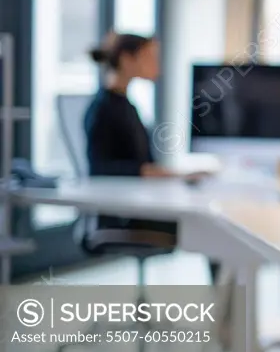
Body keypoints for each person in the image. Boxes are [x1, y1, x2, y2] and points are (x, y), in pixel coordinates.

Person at [85, 32, 219, 281]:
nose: (157, 65)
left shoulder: (126, 105)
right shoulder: (103, 109)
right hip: (123, 218)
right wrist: (170, 174)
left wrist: (174, 175)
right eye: (150, 57)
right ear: (127, 59)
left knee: (216, 222)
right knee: (214, 226)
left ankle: (227, 312)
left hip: (139, 207)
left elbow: (143, 163)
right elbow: (101, 168)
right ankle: (227, 314)